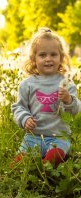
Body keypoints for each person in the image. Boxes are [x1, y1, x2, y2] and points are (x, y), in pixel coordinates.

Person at [11, 27, 81, 168]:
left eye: (53, 55)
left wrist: (69, 100)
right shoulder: (27, 84)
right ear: (33, 59)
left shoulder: (66, 83)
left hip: (59, 138)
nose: (48, 59)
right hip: (33, 137)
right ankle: (33, 168)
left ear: (61, 58)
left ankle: (44, 169)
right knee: (17, 164)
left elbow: (77, 110)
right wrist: (24, 119)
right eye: (42, 55)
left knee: (53, 157)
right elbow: (18, 107)